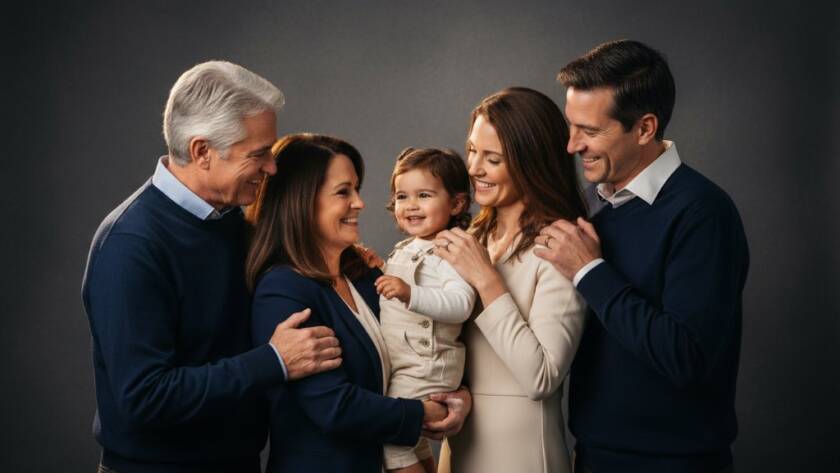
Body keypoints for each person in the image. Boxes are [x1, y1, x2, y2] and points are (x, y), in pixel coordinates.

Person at [81, 61, 344, 473]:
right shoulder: (131, 245)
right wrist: (273, 361)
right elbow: (144, 398)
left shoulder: (232, 222)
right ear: (202, 152)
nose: (272, 169)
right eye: (258, 155)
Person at [535, 40, 749, 473]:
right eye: (570, 127)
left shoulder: (703, 213)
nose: (572, 146)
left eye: (590, 131)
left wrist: (590, 271)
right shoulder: (595, 204)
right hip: (594, 455)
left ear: (645, 128)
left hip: (675, 464)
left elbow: (686, 356)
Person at [247, 134, 471, 473]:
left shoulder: (361, 276)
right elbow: (332, 405)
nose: (359, 203)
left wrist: (458, 397)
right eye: (343, 192)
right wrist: (423, 413)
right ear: (302, 201)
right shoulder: (283, 289)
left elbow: (415, 348)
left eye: (357, 189)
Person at [434, 87, 588, 473]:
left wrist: (488, 280)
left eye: (493, 159)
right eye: (472, 151)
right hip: (460, 442)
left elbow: (542, 377)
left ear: (531, 163)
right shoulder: (474, 236)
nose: (473, 169)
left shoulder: (560, 245)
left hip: (521, 455)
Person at [375, 147, 476, 473]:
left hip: (427, 364)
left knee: (392, 438)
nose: (411, 205)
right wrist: (378, 269)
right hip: (407, 362)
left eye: (424, 195)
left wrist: (410, 293)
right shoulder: (406, 248)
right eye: (402, 196)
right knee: (412, 441)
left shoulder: (450, 248)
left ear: (456, 204)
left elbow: (461, 304)